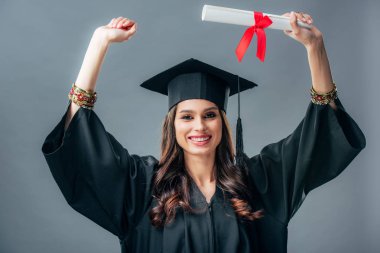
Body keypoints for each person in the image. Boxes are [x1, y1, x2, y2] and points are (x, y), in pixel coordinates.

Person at [41, 12, 366, 253]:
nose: (199, 126)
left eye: (210, 115)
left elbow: (320, 132)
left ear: (222, 123)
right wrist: (99, 43)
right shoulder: (141, 186)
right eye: (186, 116)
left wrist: (315, 47)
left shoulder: (260, 181)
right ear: (173, 125)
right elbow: (80, 139)